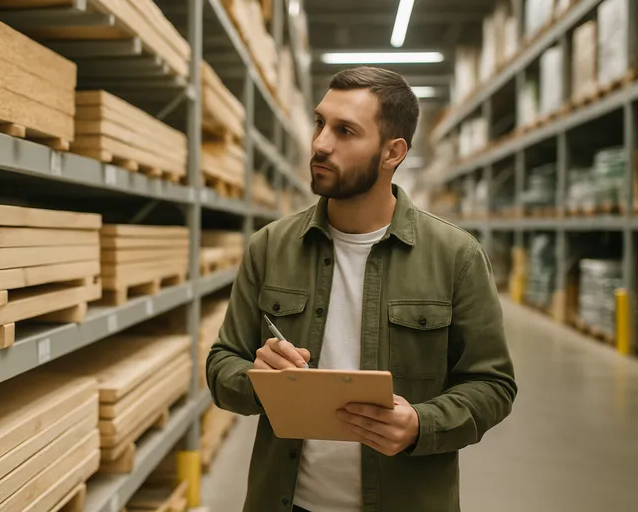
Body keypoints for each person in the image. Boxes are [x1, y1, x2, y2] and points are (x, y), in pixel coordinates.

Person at [205, 66, 517, 512]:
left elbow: (493, 385)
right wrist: (260, 381)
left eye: (346, 131)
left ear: (392, 152)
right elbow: (221, 364)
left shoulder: (456, 257)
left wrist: (421, 424)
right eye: (320, 123)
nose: (320, 144)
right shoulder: (270, 247)